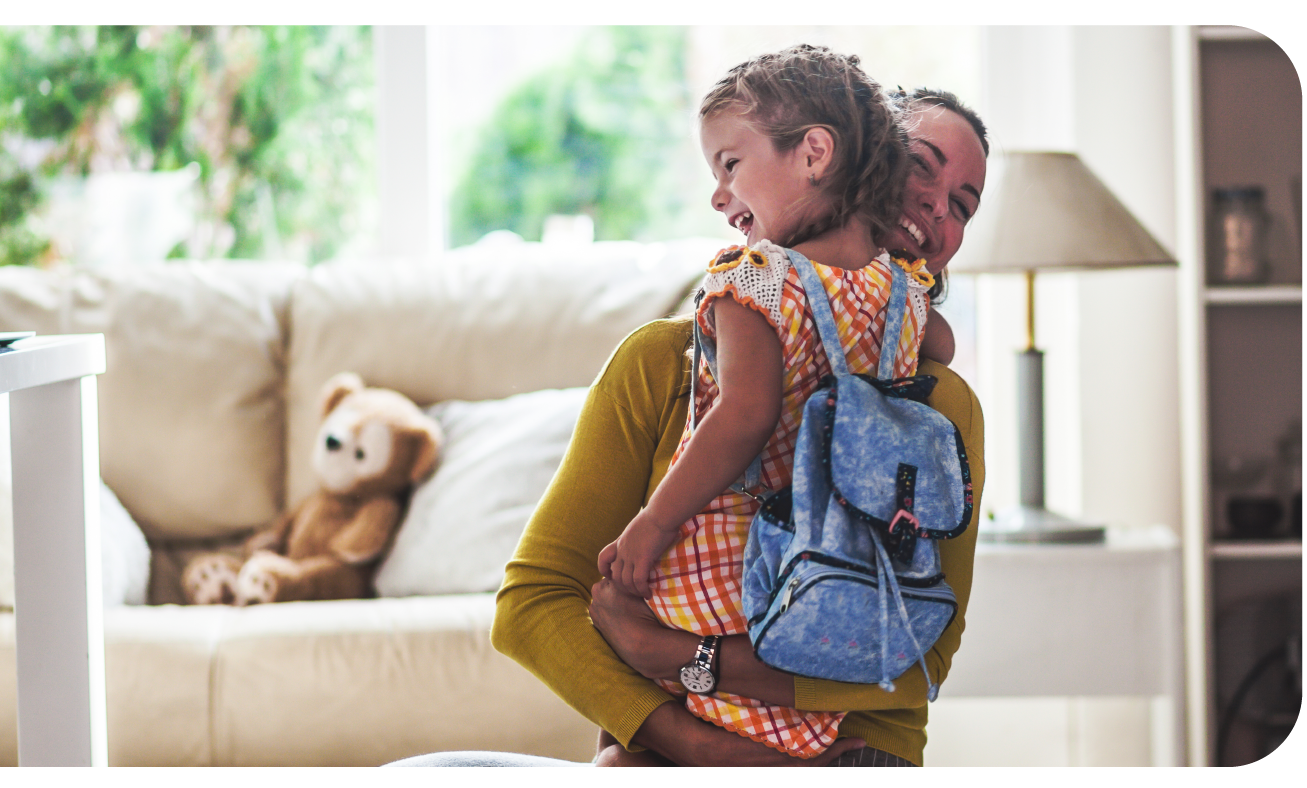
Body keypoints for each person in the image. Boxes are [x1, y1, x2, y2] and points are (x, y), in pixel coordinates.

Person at [390, 85, 988, 768]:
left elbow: (922, 660)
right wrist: (692, 742)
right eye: (921, 164)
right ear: (851, 159)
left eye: (963, 205)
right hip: (670, 746)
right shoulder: (664, 361)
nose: (937, 205)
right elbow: (533, 603)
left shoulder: (941, 407)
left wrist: (678, 656)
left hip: (852, 756)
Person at [590, 44, 954, 761]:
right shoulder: (904, 297)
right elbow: (937, 348)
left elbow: (745, 413)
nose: (719, 196)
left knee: (606, 617)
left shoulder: (752, 280)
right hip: (830, 585)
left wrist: (652, 525)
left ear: (815, 152)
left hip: (726, 572)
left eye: (730, 164)